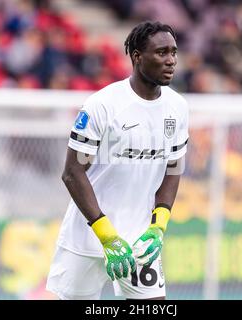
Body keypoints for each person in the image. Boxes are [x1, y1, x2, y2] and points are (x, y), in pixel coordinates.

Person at [46, 21, 189, 300]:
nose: (171, 60)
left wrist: (158, 226)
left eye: (174, 52)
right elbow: (73, 173)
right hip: (88, 237)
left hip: (140, 240)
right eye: (161, 53)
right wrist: (108, 236)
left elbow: (174, 168)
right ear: (137, 56)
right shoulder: (103, 106)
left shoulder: (178, 108)